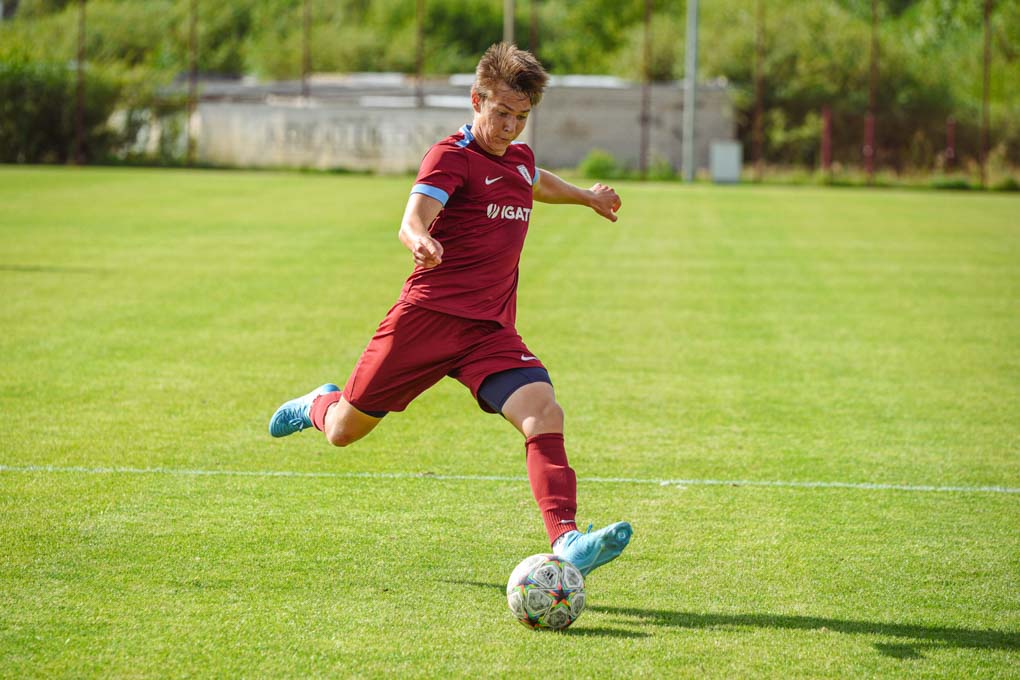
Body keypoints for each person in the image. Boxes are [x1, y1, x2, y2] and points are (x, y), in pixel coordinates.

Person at [269, 42, 631, 576]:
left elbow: (535, 180)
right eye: (501, 113)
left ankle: (567, 538)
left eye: (521, 117)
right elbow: (413, 216)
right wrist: (419, 238)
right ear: (476, 100)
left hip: (489, 332)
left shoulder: (520, 158)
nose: (510, 127)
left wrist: (586, 196)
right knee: (344, 430)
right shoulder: (451, 156)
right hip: (426, 322)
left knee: (544, 412)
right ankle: (319, 403)